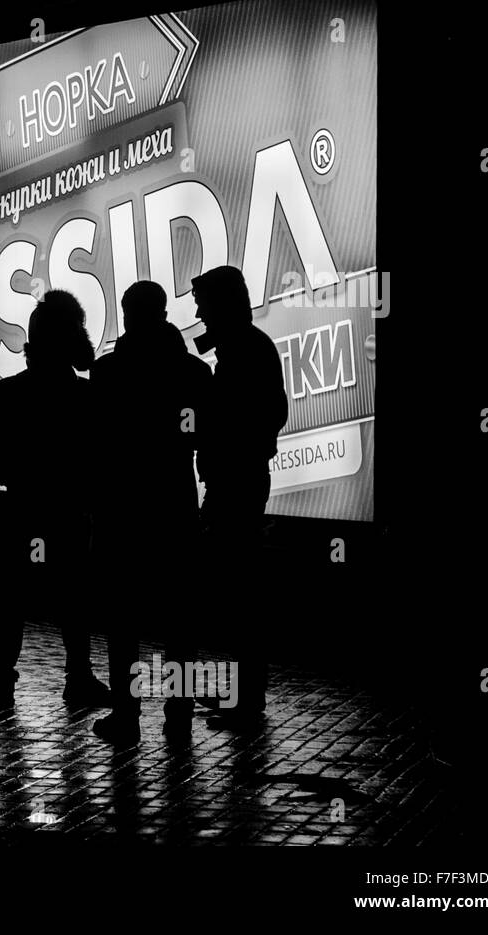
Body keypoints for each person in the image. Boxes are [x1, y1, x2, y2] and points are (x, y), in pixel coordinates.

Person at [88, 281, 211, 741]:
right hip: (174, 505)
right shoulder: (195, 373)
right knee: (180, 622)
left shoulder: (109, 373)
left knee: (125, 622)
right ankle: (178, 717)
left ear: (127, 314)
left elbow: (95, 441)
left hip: (122, 510)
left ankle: (127, 715)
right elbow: (205, 437)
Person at [0, 290, 111, 710]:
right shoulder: (87, 398)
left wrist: (16, 475)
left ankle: (2, 685)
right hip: (70, 513)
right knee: (74, 599)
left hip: (23, 510)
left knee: (14, 600)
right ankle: (78, 678)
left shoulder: (5, 395)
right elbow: (104, 456)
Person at [190, 265, 288, 728]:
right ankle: (244, 696)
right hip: (238, 479)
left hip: (236, 482)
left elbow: (261, 415)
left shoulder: (243, 351)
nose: (197, 312)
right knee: (238, 591)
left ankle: (246, 701)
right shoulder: (246, 347)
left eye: (203, 303)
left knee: (239, 593)